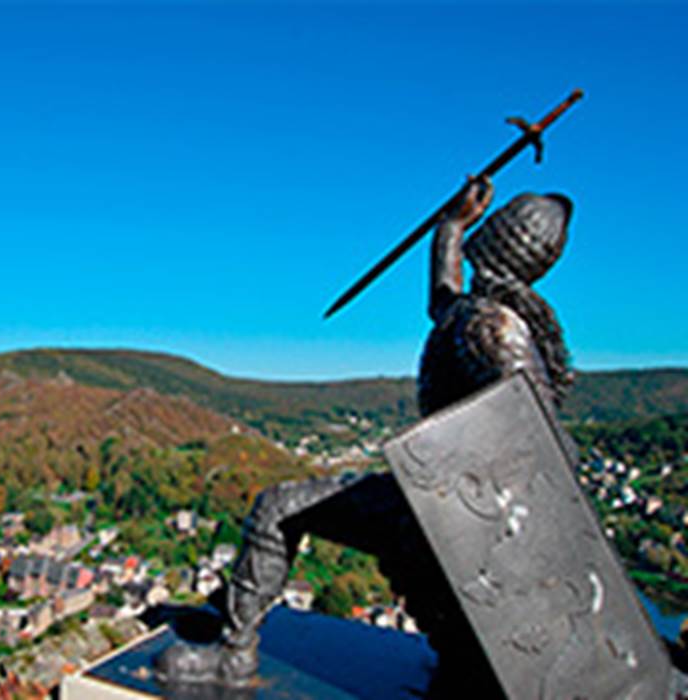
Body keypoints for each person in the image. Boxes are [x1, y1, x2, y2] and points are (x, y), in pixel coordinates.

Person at [156, 177, 574, 697]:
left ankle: (234, 657)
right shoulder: (480, 316)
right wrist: (451, 226)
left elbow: (536, 433)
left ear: (492, 246)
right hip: (452, 500)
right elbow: (444, 302)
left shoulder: (494, 329)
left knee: (276, 508)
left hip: (451, 506)